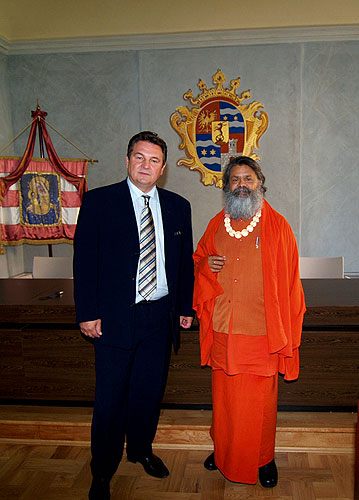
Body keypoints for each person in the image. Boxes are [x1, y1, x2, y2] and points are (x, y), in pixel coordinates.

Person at [73, 131, 194, 500]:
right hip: (113, 318)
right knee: (110, 398)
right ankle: (102, 471)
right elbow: (85, 261)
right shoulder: (98, 202)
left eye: (154, 160)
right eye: (139, 158)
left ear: (163, 168)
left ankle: (140, 449)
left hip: (159, 318)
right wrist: (88, 312)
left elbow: (183, 263)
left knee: (147, 392)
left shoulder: (178, 206)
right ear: (127, 161)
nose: (146, 165)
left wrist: (185, 307)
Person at [193, 156, 305, 487]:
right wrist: (204, 265)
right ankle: (225, 450)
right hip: (224, 329)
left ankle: (262, 459)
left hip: (262, 333)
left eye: (248, 179)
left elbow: (291, 283)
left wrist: (288, 333)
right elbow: (199, 259)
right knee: (225, 400)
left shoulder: (278, 226)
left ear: (260, 184)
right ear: (226, 186)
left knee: (260, 404)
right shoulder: (216, 224)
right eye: (235, 179)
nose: (242, 184)